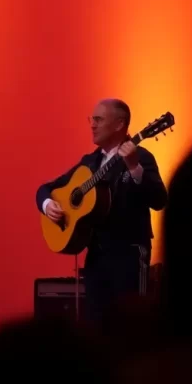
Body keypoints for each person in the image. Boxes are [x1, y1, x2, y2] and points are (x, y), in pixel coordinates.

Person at [35, 99, 167, 327]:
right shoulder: (90, 162)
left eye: (98, 119)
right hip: (96, 257)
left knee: (129, 325)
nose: (92, 125)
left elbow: (159, 200)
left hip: (129, 255)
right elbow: (45, 189)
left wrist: (134, 168)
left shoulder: (142, 157)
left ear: (119, 124)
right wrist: (48, 205)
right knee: (95, 326)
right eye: (92, 119)